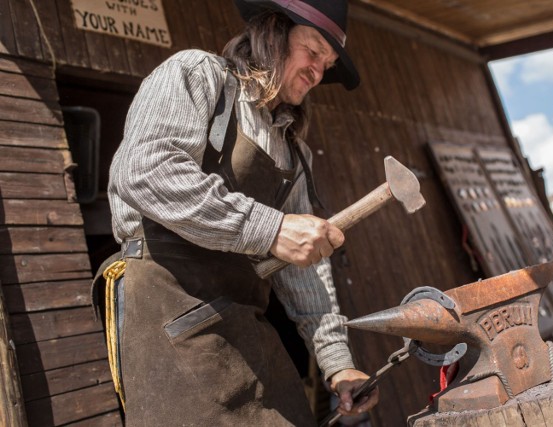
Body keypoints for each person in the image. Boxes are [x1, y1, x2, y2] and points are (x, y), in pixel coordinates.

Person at [100, 0, 379, 425]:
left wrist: (337, 361)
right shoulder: (198, 74)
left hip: (245, 327)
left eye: (328, 63)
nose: (318, 72)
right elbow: (145, 171)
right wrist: (270, 229)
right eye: (313, 51)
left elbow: (302, 265)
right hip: (167, 316)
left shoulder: (293, 152)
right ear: (273, 33)